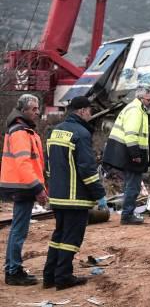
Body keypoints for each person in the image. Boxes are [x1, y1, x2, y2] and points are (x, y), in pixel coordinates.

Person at [43, 96, 105, 290]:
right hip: (75, 197)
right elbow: (87, 169)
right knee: (71, 239)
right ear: (82, 111)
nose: (91, 114)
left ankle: (50, 276)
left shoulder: (55, 132)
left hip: (57, 195)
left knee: (59, 236)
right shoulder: (81, 133)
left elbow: (49, 166)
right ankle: (63, 277)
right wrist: (99, 194)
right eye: (90, 111)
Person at [1, 94, 48, 286]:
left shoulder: (24, 130)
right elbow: (23, 163)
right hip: (23, 186)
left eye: (37, 109)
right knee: (19, 230)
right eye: (33, 109)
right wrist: (38, 188)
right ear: (23, 110)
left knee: (17, 230)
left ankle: (12, 267)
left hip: (21, 185)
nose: (37, 112)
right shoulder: (21, 132)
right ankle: (13, 270)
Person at [102, 87, 150, 225]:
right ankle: (127, 215)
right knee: (133, 185)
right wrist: (135, 154)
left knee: (130, 184)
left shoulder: (136, 109)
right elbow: (131, 134)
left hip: (126, 152)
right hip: (130, 153)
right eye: (149, 100)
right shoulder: (135, 111)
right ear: (141, 98)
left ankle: (128, 213)